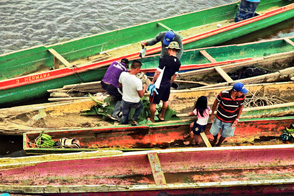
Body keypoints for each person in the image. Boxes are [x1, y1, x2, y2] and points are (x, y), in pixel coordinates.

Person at [148, 41, 181, 122]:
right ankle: (162, 115)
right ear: (177, 50)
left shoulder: (165, 59)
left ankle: (152, 119)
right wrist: (170, 83)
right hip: (167, 84)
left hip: (159, 84)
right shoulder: (178, 62)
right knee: (165, 101)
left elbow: (157, 73)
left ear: (170, 49)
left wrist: (152, 81)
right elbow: (174, 76)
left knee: (153, 102)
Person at [209, 82, 248, 147]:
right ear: (235, 91)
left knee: (225, 134)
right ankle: (215, 140)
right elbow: (215, 103)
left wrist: (237, 119)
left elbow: (241, 107)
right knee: (214, 131)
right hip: (219, 117)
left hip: (231, 120)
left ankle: (219, 144)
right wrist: (212, 114)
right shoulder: (223, 94)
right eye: (241, 92)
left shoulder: (242, 97)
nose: (242, 94)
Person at [119, 60, 147, 125]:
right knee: (140, 107)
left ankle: (123, 125)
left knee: (125, 114)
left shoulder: (123, 74)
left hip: (125, 100)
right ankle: (134, 119)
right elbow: (141, 95)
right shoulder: (138, 81)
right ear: (137, 69)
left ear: (131, 67)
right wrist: (144, 87)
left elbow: (120, 85)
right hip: (135, 101)